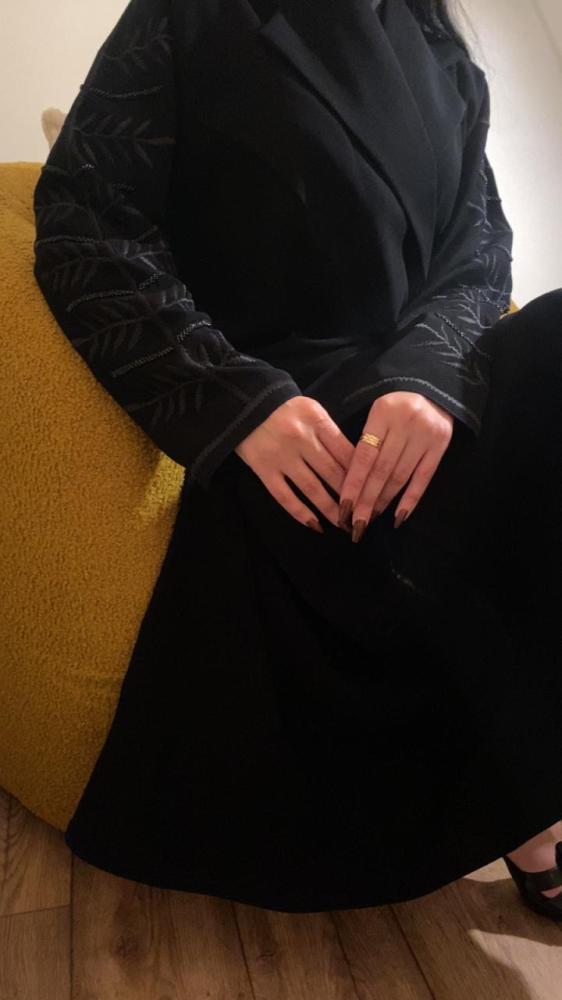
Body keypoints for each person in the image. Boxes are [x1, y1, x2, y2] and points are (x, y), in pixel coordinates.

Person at [32, 0, 562, 917]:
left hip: (426, 393)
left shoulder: (445, 55)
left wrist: (427, 382)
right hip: (291, 425)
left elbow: (478, 257)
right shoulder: (188, 16)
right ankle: (527, 793)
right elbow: (86, 221)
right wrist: (234, 401)